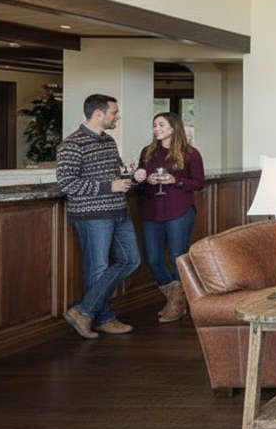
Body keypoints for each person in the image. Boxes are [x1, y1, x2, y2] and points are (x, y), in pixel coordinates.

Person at [56, 94, 141, 339]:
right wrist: (108, 187)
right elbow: (67, 184)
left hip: (118, 212)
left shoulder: (109, 141)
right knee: (98, 268)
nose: (118, 116)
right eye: (114, 112)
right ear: (98, 114)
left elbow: (116, 175)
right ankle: (103, 318)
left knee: (131, 260)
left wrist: (132, 179)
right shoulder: (72, 144)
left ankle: (83, 311)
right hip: (91, 216)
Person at [133, 112, 205, 323]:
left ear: (173, 127)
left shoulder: (191, 153)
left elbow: (199, 183)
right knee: (153, 258)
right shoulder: (148, 152)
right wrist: (140, 177)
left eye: (161, 125)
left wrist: (176, 180)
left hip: (180, 210)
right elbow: (141, 177)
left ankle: (175, 305)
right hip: (152, 210)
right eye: (155, 125)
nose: (156, 129)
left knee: (177, 256)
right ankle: (177, 299)